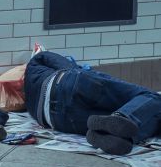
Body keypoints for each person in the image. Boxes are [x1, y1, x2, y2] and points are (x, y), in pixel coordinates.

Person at [24, 50, 161, 155]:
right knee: (151, 97)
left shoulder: (30, 109)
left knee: (130, 116)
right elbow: (58, 61)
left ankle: (122, 137)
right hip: (70, 83)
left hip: (58, 120)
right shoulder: (33, 64)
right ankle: (123, 117)